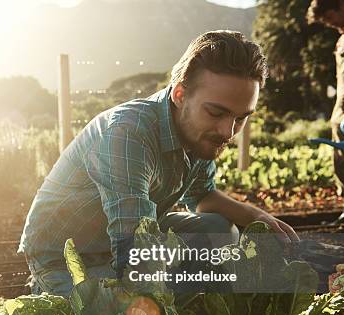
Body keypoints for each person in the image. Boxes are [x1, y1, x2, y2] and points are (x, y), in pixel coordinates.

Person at [18, 30, 300, 297]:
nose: (227, 132)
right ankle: (42, 291)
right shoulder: (128, 132)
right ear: (180, 95)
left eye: (241, 118)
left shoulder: (199, 135)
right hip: (67, 257)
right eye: (216, 112)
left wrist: (254, 216)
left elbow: (201, 197)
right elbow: (132, 246)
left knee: (218, 230)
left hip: (125, 238)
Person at [307, 0, 344, 224]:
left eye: (329, 17)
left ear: (340, 6)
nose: (329, 24)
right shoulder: (343, 37)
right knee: (340, 160)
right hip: (341, 109)